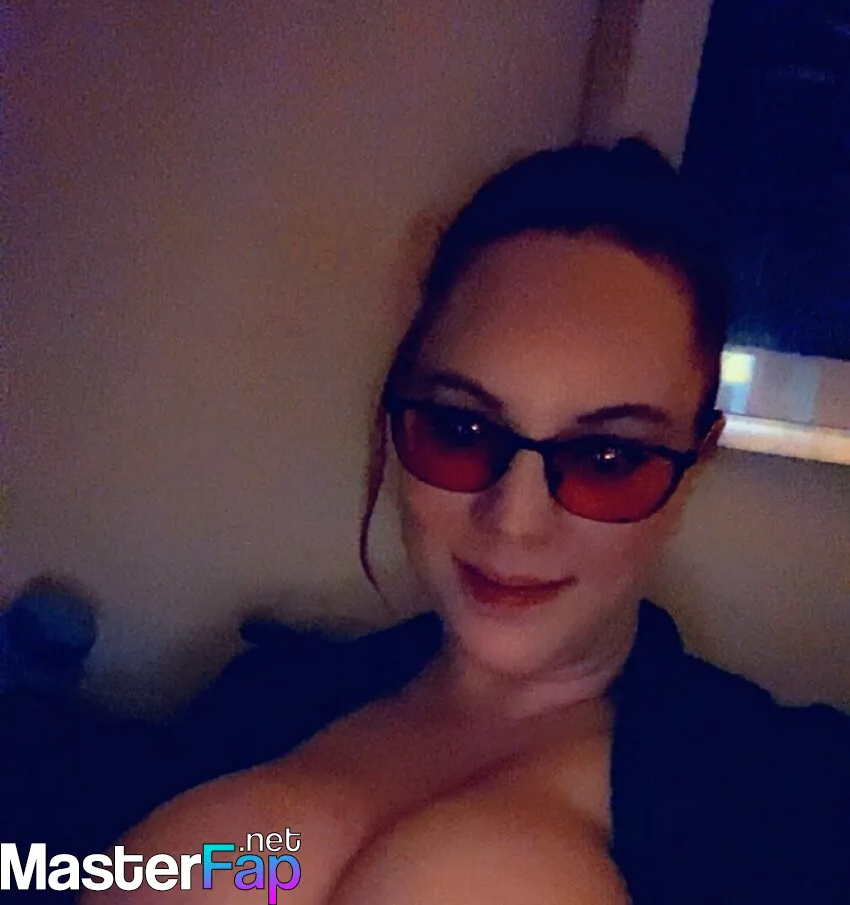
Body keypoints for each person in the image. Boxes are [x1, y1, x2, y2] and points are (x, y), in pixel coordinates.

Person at [92, 139, 849, 904]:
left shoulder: (793, 803)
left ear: (694, 464)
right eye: (462, 430)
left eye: (607, 458)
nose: (514, 521)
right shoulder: (262, 695)